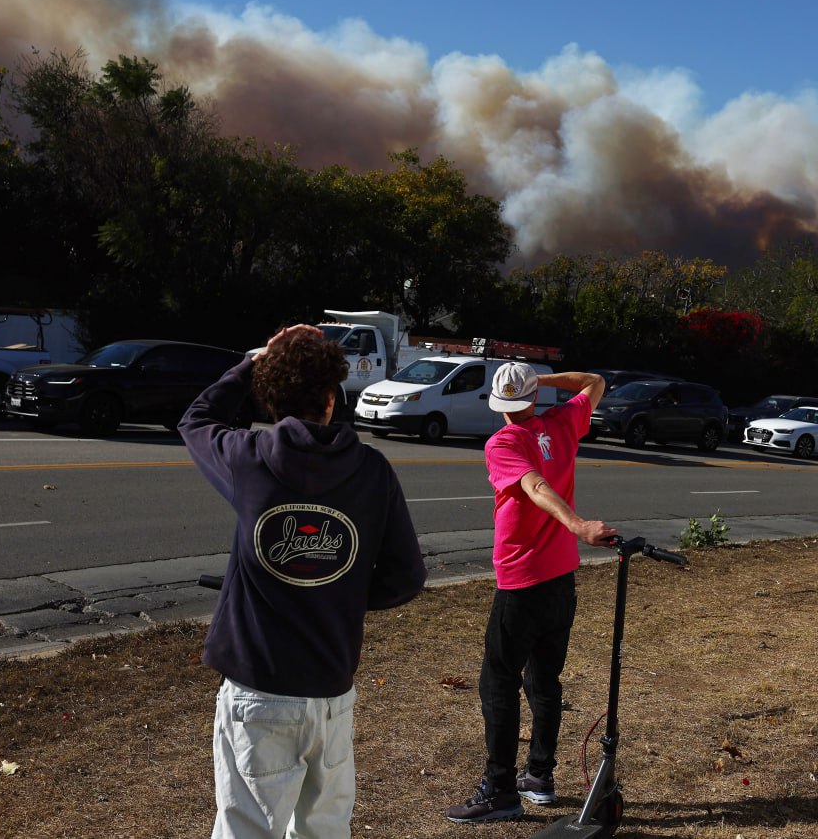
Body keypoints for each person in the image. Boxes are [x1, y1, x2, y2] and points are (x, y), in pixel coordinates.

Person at [179, 325, 427, 839]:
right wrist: (340, 594)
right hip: (331, 692)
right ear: (332, 399)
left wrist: (255, 359)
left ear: (269, 401)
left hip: (258, 689)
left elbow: (196, 418)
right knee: (324, 830)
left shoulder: (249, 458)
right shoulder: (373, 471)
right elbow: (406, 576)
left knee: (246, 828)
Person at [445, 363, 617, 824]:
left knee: (498, 681)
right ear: (533, 398)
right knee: (543, 680)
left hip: (523, 579)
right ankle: (539, 776)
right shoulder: (562, 423)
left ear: (499, 405)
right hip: (561, 577)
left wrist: (578, 524)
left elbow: (533, 486)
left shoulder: (503, 442)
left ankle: (500, 791)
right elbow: (595, 383)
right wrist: (546, 382)